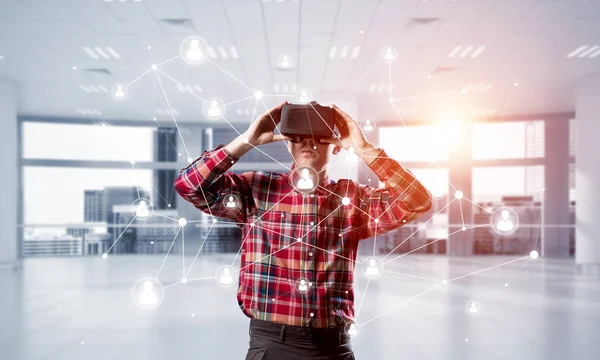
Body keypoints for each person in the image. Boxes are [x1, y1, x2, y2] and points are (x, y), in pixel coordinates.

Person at [174, 101, 432, 360]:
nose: (309, 144)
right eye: (298, 137)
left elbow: (417, 201)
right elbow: (189, 186)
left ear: (335, 146)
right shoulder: (257, 189)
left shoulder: (353, 199)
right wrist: (245, 141)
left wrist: (364, 149)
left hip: (333, 347)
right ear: (288, 143)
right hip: (272, 345)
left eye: (319, 138)